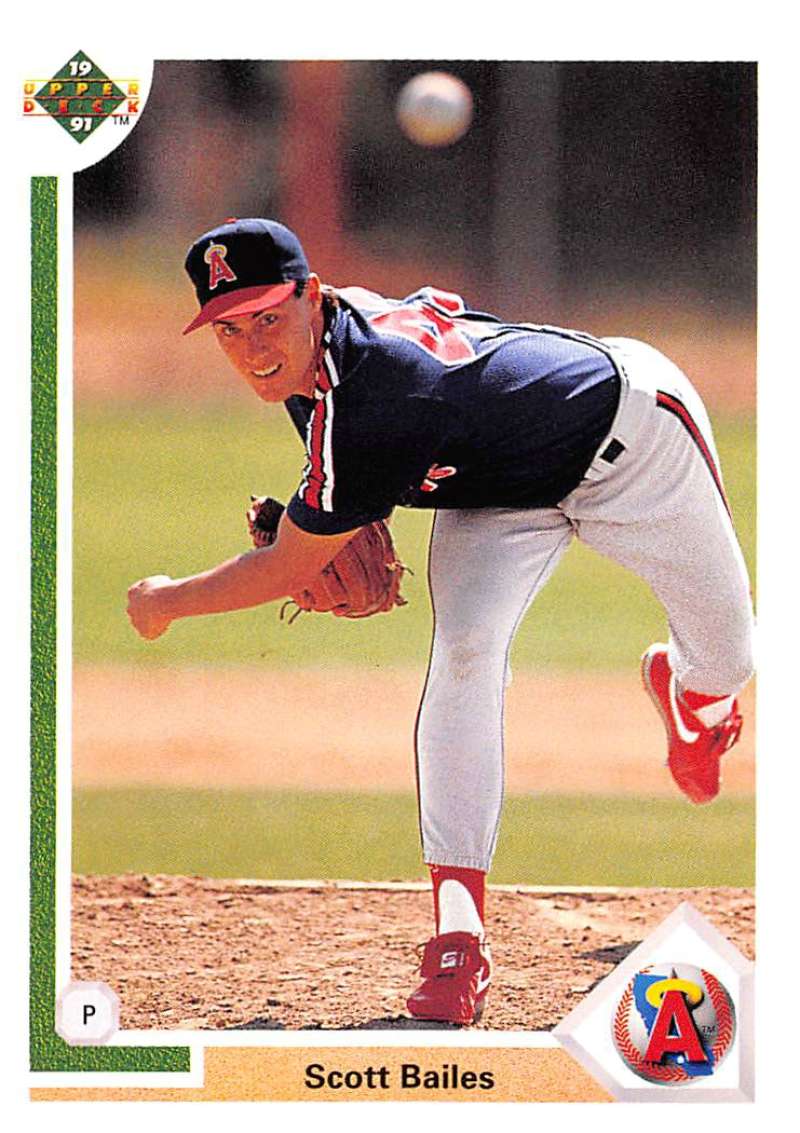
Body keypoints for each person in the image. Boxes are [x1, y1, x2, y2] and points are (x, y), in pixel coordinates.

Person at [127, 218, 754, 1027]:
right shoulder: (322, 363)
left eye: (269, 317)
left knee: (729, 655)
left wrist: (164, 599)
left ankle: (690, 695)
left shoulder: (378, 390)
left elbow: (287, 564)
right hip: (494, 496)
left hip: (633, 437)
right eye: (231, 328)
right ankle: (458, 936)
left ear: (312, 297)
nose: (253, 348)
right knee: (465, 651)